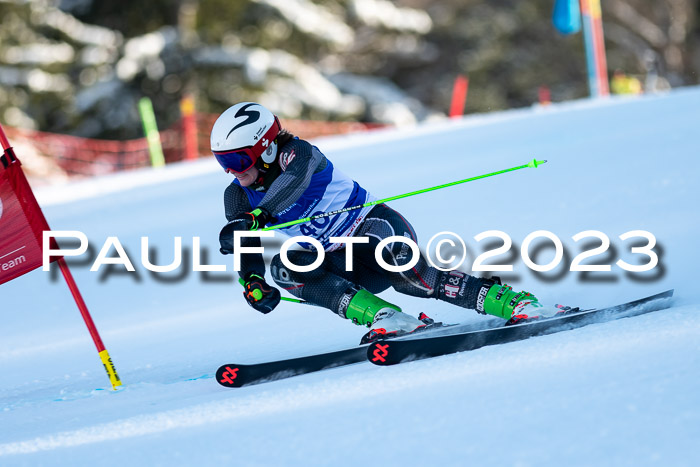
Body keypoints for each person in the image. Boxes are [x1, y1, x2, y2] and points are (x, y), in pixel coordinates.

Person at [213, 102, 552, 343]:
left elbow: (293, 185)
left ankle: (513, 302)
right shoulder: (238, 198)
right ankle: (389, 318)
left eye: (238, 159)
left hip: (373, 228)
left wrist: (256, 217)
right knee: (285, 268)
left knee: (414, 280)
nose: (233, 170)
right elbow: (248, 248)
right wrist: (253, 281)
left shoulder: (299, 154)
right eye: (222, 162)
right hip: (338, 261)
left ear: (267, 148)